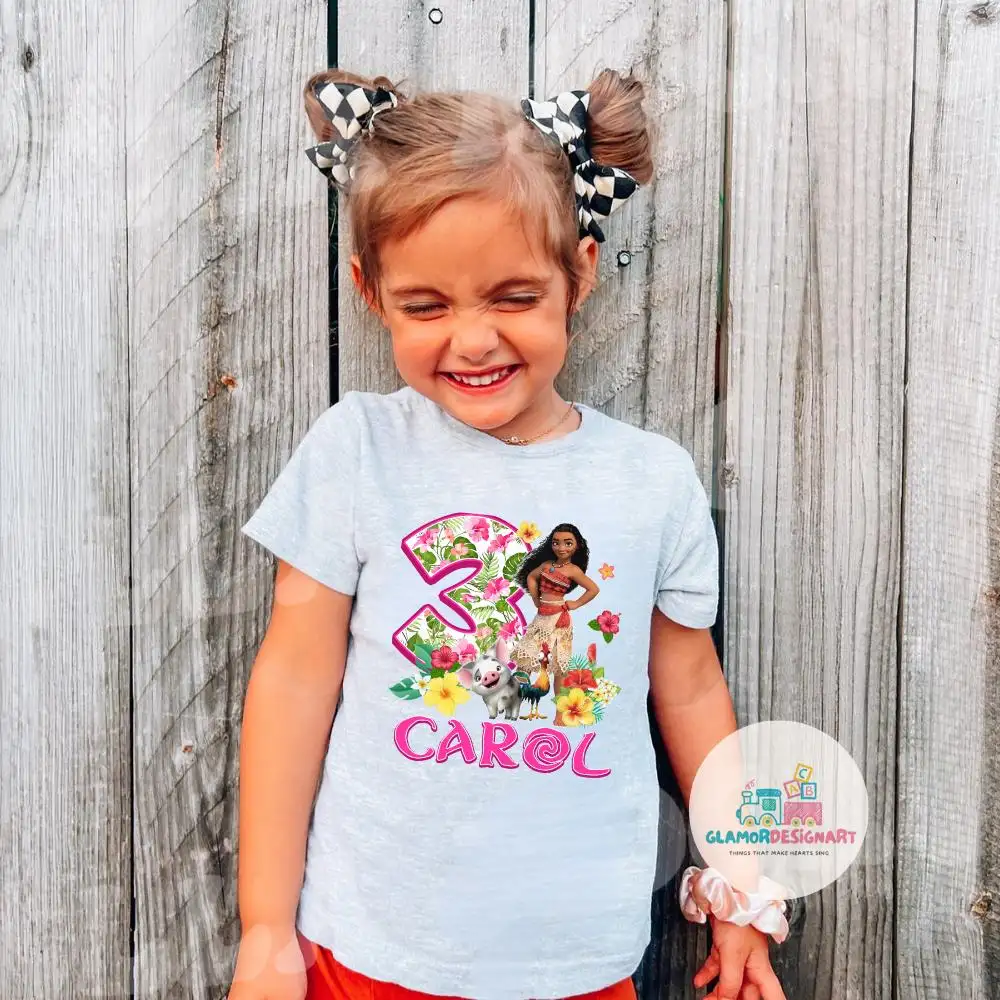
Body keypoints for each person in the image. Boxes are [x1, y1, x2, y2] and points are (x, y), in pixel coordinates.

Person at [227, 66, 789, 1000]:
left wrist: (743, 887)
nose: (474, 339)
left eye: (514, 297)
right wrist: (265, 934)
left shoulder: (651, 482)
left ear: (579, 271)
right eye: (427, 306)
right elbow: (292, 683)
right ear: (370, 291)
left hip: (578, 962)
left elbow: (690, 691)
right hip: (364, 950)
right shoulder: (359, 451)